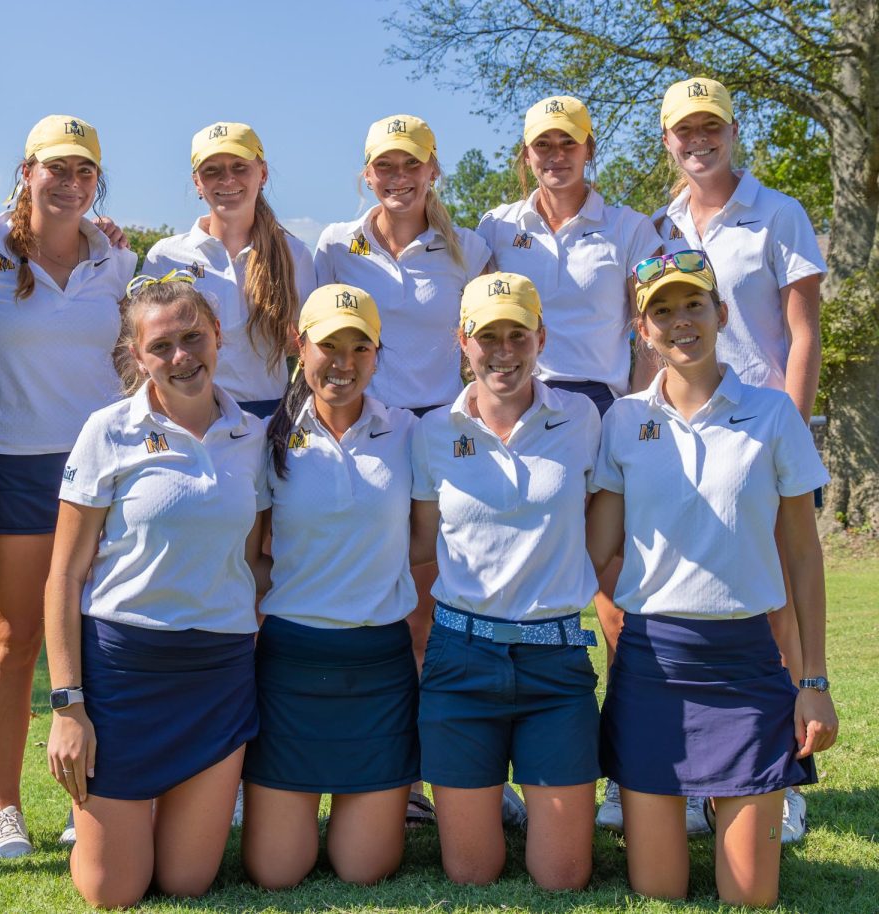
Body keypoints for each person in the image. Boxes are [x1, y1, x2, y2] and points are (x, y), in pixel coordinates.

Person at [586, 252, 837, 906]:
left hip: (748, 669)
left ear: (722, 314)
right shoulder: (621, 423)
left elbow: (805, 560)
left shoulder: (774, 415)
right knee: (659, 888)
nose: (680, 321)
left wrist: (812, 683)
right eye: (662, 310)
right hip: (651, 668)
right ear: (643, 330)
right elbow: (594, 549)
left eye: (694, 304)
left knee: (750, 895)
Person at [476, 94, 669, 834]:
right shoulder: (499, 225)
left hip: (599, 415)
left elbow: (649, 328)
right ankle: (482, 775)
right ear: (526, 155)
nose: (555, 157)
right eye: (541, 147)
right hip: (511, 412)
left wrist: (652, 415)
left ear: (591, 149)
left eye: (568, 145)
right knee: (495, 577)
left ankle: (626, 774)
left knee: (615, 595)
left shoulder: (629, 227)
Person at [44, 274, 269, 907]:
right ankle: (115, 829)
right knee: (111, 892)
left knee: (186, 882)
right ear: (137, 356)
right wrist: (68, 706)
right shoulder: (106, 430)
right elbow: (63, 575)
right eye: (161, 345)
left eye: (193, 337)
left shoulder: (253, 437)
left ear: (218, 335)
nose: (181, 357)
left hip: (218, 675)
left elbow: (252, 562)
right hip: (123, 672)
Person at [654, 75, 828, 844]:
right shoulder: (662, 225)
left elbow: (803, 334)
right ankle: (695, 779)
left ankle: (782, 780)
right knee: (681, 601)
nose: (699, 139)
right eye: (684, 130)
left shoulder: (777, 212)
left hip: (762, 435)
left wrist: (784, 432)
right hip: (686, 437)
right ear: (667, 141)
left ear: (732, 131)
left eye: (711, 126)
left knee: (777, 611)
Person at [0, 115, 136, 859]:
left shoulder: (118, 261)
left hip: (103, 469)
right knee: (12, 639)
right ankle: (3, 809)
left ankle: (90, 799)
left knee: (101, 638)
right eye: (55, 168)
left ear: (97, 182)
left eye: (83, 170)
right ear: (27, 171)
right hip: (12, 462)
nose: (68, 182)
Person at [313, 114, 494, 826]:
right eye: (383, 167)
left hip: (445, 439)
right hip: (365, 435)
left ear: (432, 170)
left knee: (439, 608)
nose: (397, 179)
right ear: (367, 174)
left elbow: (484, 346)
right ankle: (379, 766)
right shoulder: (335, 245)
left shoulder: (468, 248)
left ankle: (446, 771)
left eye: (410, 165)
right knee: (366, 602)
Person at [408, 272, 603, 890]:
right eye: (487, 335)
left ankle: (525, 794)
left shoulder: (586, 420)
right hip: (461, 661)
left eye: (517, 334)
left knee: (563, 876)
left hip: (556, 662)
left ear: (540, 337)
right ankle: (493, 790)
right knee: (472, 871)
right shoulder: (431, 432)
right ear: (462, 340)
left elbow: (608, 523)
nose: (503, 351)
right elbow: (419, 546)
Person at [242, 284, 419, 888]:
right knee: (275, 872)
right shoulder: (265, 439)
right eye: (328, 345)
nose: (342, 362)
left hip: (379, 667)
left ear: (376, 354)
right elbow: (252, 558)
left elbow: (422, 541)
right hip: (292, 664)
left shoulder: (408, 434)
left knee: (365, 869)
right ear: (300, 345)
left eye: (359, 347)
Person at [144, 122, 315, 418]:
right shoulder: (165, 256)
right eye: (212, 170)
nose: (227, 179)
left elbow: (308, 346)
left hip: (269, 418)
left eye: (239, 166)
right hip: (190, 418)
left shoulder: (294, 253)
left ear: (261, 174)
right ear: (197, 182)